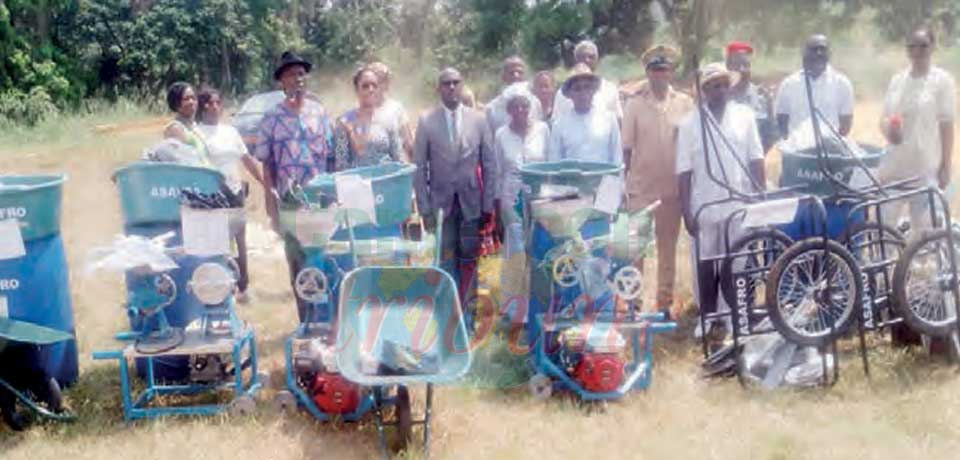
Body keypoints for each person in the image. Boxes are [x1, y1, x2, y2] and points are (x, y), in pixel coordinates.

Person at [676, 62, 765, 334]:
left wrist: (760, 199)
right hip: (704, 205)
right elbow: (683, 171)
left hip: (739, 203)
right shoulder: (690, 124)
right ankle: (708, 316)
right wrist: (686, 212)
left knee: (736, 262)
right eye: (713, 86)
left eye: (723, 85)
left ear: (729, 87)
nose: (719, 91)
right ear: (703, 91)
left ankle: (732, 314)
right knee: (705, 262)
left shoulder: (744, 116)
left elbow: (756, 158)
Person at [253, 51, 335, 321]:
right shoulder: (271, 118)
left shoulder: (319, 112)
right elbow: (266, 163)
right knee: (297, 262)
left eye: (301, 74)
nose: (297, 79)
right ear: (281, 82)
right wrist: (270, 205)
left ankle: (326, 320)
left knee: (324, 258)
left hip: (320, 199)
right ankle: (306, 324)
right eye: (291, 74)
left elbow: (331, 156)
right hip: (290, 201)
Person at [412, 68, 497, 317]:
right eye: (446, 83)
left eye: (455, 83)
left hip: (471, 204)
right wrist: (424, 208)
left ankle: (468, 317)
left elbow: (490, 165)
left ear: (462, 86)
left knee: (470, 260)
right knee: (446, 260)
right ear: (438, 89)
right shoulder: (427, 121)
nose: (451, 87)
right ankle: (447, 316)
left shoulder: (479, 119)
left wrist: (488, 205)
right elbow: (419, 168)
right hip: (441, 207)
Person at [622, 45, 693, 318]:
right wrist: (622, 187)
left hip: (671, 190)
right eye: (654, 69)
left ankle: (663, 304)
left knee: (667, 250)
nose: (659, 74)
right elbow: (626, 150)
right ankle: (633, 303)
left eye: (664, 69)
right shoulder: (634, 104)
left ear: (671, 72)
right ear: (647, 73)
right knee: (635, 250)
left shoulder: (685, 103)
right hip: (641, 189)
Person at [879, 28, 956, 228]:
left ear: (932, 47)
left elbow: (947, 125)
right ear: (907, 50)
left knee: (925, 230)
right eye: (912, 46)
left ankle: (916, 258)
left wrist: (946, 166)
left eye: (923, 46)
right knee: (884, 226)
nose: (917, 51)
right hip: (895, 168)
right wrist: (889, 130)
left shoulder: (942, 81)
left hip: (925, 169)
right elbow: (884, 118)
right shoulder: (897, 81)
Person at [195, 87, 263, 302]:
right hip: (213, 194)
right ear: (201, 107)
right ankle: (224, 288)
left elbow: (246, 159)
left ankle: (244, 285)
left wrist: (263, 181)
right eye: (208, 103)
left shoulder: (230, 132)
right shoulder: (197, 133)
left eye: (217, 102)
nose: (213, 107)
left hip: (235, 191)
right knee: (219, 244)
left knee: (240, 240)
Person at [495, 91, 549, 325]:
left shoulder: (543, 131)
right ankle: (513, 309)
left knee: (539, 249)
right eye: (515, 107)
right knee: (516, 252)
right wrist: (497, 205)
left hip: (539, 197)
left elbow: (551, 163)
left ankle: (540, 304)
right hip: (512, 198)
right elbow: (498, 171)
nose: (520, 111)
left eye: (524, 107)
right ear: (508, 110)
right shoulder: (501, 135)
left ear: (531, 108)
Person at [775, 34, 854, 140]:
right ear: (804, 53)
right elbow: (782, 120)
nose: (819, 53)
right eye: (814, 50)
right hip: (796, 151)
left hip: (830, 151)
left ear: (829, 54)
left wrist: (831, 145)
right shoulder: (789, 84)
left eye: (823, 49)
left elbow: (845, 125)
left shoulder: (842, 84)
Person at [547, 63, 622, 165]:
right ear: (569, 94)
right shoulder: (559, 125)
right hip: (571, 179)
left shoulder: (609, 119)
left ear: (594, 90)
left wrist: (614, 180)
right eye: (577, 89)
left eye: (587, 87)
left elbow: (617, 157)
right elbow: (554, 161)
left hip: (604, 179)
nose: (583, 93)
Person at [333, 66, 403, 170]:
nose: (371, 89)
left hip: (387, 181)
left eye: (374, 85)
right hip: (358, 183)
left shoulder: (389, 119)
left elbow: (397, 158)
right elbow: (341, 164)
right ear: (357, 90)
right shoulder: (344, 122)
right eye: (365, 86)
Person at [552, 40, 623, 122]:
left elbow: (618, 120)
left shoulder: (609, 89)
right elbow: (556, 123)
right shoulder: (563, 93)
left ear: (597, 60)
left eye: (591, 57)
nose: (587, 60)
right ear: (576, 60)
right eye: (582, 57)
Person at [725, 41, 777, 153]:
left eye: (746, 65)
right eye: (737, 65)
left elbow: (771, 136)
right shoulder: (719, 98)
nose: (743, 70)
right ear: (728, 67)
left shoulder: (763, 97)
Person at [368, 61, 413, 162]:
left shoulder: (396, 108)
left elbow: (408, 143)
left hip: (394, 168)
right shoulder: (359, 112)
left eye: (382, 81)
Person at [485, 56, 542, 133]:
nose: (516, 75)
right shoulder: (491, 109)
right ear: (503, 77)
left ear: (525, 76)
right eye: (511, 73)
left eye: (520, 72)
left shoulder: (535, 103)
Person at [161, 82, 210, 166]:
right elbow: (180, 162)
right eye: (186, 99)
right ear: (176, 104)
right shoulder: (175, 129)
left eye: (193, 98)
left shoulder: (194, 127)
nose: (191, 102)